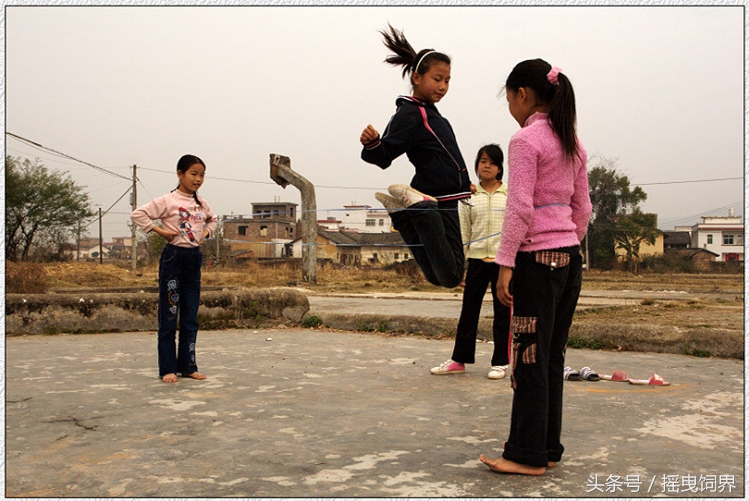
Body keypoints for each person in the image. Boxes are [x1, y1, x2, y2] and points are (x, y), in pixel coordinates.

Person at [479, 60, 592, 475]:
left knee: (527, 355)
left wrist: (506, 262)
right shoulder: (571, 142)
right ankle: (546, 448)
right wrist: (567, 245)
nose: (509, 104)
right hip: (568, 260)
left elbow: (520, 207)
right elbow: (583, 209)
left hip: (536, 261)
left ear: (522, 94)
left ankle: (525, 455)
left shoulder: (526, 141)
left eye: (508, 97)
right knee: (549, 356)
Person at [360, 24, 472, 289]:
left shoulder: (429, 112)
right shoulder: (412, 113)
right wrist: (372, 143)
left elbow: (445, 156)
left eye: (447, 81)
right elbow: (384, 155)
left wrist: (463, 183)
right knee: (453, 275)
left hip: (447, 194)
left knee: (439, 277)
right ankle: (418, 210)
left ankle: (402, 215)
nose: (443, 86)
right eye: (437, 78)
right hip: (437, 199)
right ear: (416, 77)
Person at [131, 154, 217, 383]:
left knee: (190, 317)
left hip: (193, 259)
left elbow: (213, 220)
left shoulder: (201, 203)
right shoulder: (168, 201)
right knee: (169, 314)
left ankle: (188, 366)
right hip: (173, 259)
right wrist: (160, 231)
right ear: (180, 174)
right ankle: (167, 368)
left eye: (202, 175)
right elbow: (138, 214)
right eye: (193, 174)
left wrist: (206, 234)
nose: (198, 179)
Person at [430, 144, 511, 379]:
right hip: (476, 260)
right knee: (468, 312)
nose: (487, 166)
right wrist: (461, 266)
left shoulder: (509, 195)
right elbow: (464, 232)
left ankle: (501, 362)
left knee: (503, 312)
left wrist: (512, 264)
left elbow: (514, 230)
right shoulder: (469, 197)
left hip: (502, 262)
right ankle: (459, 359)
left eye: (492, 162)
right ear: (476, 165)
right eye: (482, 161)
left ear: (500, 168)